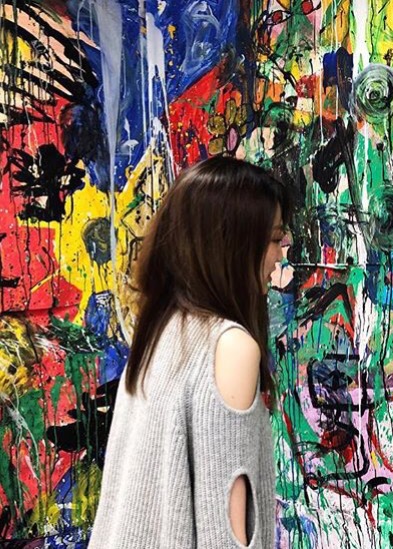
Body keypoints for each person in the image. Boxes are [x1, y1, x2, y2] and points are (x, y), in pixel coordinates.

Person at [88, 156, 291, 549]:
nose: (279, 256)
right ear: (233, 243)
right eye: (273, 239)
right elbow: (227, 536)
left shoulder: (160, 328)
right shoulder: (231, 347)